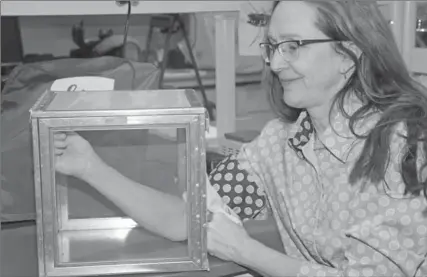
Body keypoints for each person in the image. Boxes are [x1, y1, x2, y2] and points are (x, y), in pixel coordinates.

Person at [53, 1, 427, 276]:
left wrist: (246, 252)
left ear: (348, 56)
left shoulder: (402, 144)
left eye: (294, 46)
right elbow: (187, 219)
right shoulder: (279, 144)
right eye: (273, 46)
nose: (277, 64)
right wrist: (91, 167)